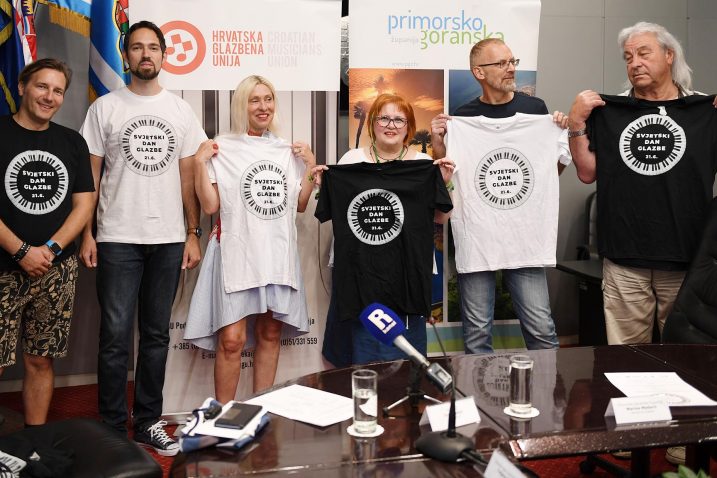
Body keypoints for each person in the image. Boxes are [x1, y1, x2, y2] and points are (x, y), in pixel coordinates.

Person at [79, 21, 207, 456]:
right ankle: (113, 429)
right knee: (115, 336)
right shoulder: (105, 108)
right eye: (137, 47)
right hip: (116, 237)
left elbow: (189, 177)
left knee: (155, 336)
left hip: (169, 239)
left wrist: (192, 233)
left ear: (164, 55)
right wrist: (87, 233)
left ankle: (148, 421)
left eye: (153, 47)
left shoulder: (181, 110)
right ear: (126, 55)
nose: (145, 54)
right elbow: (90, 177)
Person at [567, 22, 717, 347]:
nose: (635, 63)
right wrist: (576, 122)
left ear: (669, 55)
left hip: (687, 258)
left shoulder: (705, 110)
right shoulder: (610, 111)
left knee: (687, 359)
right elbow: (587, 173)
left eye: (644, 54)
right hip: (624, 258)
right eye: (628, 57)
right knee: (627, 357)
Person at [430, 38, 570, 354]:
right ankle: (476, 389)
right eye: (502, 63)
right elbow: (449, 176)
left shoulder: (536, 110)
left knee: (542, 330)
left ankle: (547, 387)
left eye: (512, 61)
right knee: (477, 334)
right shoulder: (463, 118)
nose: (511, 69)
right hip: (479, 236)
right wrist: (439, 144)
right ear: (479, 71)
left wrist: (558, 132)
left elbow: (547, 175)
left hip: (525, 237)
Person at [184, 75, 313, 402]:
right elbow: (210, 206)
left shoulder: (286, 150)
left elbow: (299, 205)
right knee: (232, 340)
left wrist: (310, 167)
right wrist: (199, 163)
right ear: (242, 105)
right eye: (255, 100)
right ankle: (225, 416)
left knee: (270, 332)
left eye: (268, 99)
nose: (263, 106)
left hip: (276, 254)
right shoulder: (223, 147)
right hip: (237, 252)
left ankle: (261, 412)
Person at [312, 93, 454, 366]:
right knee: (360, 353)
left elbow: (440, 218)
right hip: (359, 274)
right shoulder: (351, 160)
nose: (391, 125)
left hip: (406, 274)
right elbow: (336, 209)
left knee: (404, 358)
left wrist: (443, 183)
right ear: (373, 124)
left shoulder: (422, 166)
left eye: (399, 119)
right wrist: (326, 186)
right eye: (384, 118)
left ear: (408, 126)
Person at [0, 58, 94, 426]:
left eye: (58, 91)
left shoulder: (72, 142)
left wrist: (50, 250)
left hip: (56, 270)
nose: (49, 96)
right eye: (42, 86)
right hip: (4, 266)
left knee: (41, 359)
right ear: (22, 87)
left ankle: (34, 441)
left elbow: (84, 204)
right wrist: (21, 251)